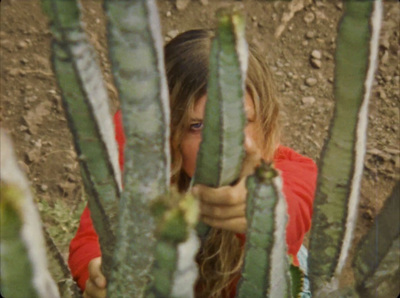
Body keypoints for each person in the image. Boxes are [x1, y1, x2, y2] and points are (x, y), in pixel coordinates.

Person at [68, 29, 317, 298]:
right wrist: (95, 271)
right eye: (196, 126)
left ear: (265, 120)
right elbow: (94, 235)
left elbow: (293, 205)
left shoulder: (292, 172)